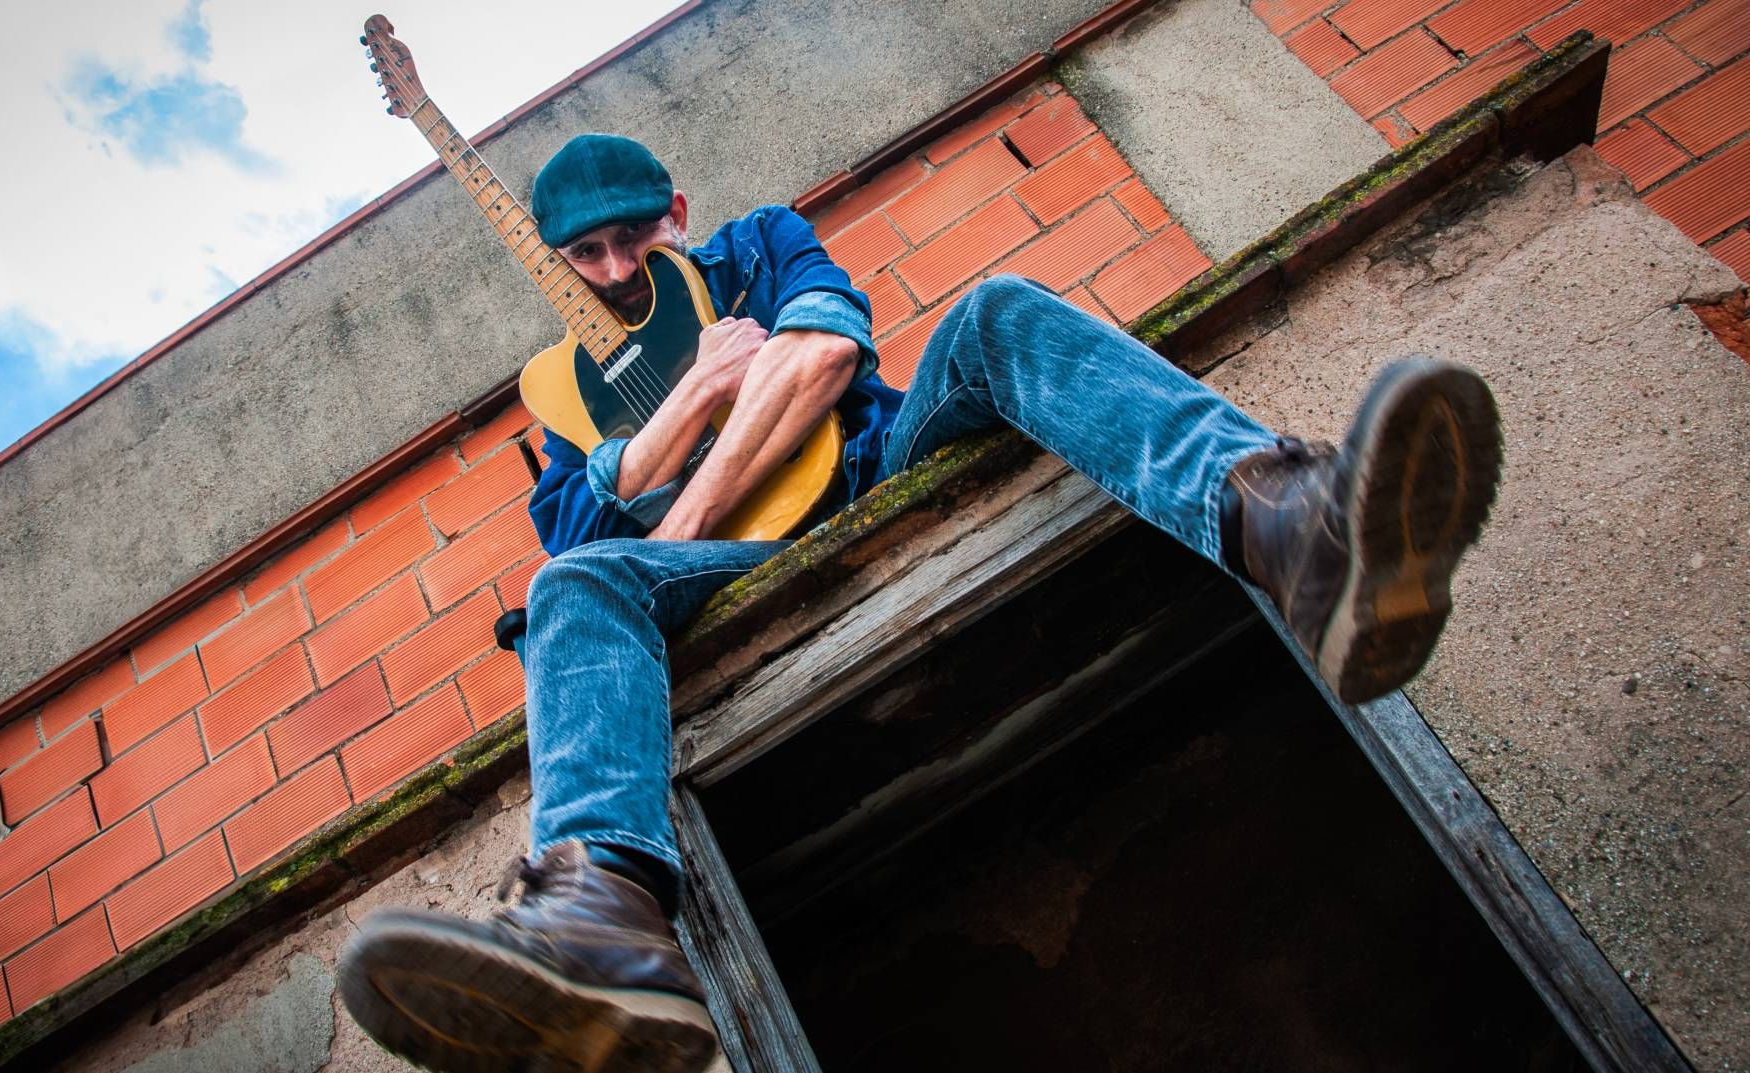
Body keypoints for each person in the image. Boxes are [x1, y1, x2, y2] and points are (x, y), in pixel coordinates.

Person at [337, 134, 1503, 1073]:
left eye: (630, 235)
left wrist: (658, 476)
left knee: (996, 312)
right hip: (716, 575)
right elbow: (579, 551)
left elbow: (821, 360)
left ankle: (1297, 529)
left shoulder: (755, 246)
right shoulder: (558, 404)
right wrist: (693, 398)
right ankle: (603, 923)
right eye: (582, 254)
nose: (611, 268)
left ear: (675, 211)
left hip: (873, 466)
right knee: (573, 588)